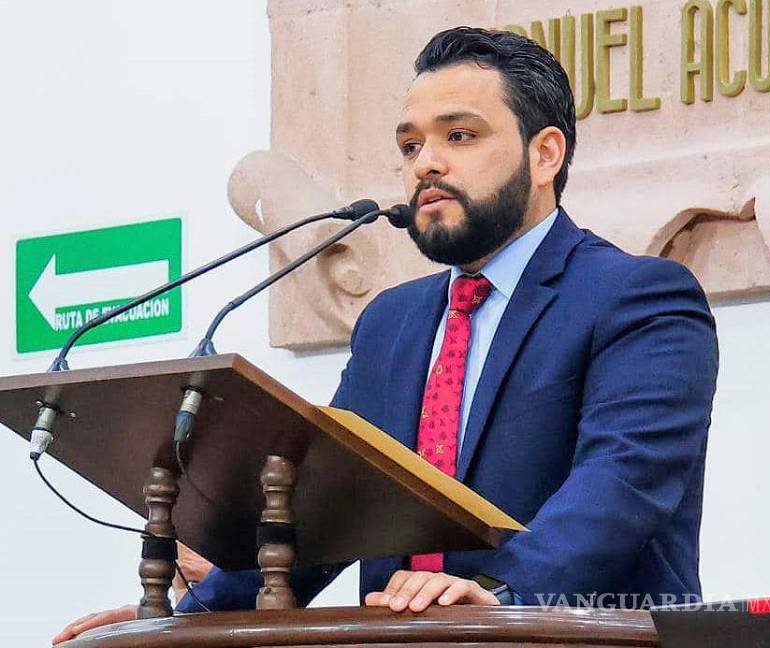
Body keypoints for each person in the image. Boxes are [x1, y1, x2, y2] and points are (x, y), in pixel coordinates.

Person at [53, 26, 718, 642]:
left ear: (544, 154)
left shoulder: (638, 298)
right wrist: (188, 617)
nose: (426, 164)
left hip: (576, 638)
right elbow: (322, 504)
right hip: (396, 639)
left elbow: (623, 481)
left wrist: (500, 593)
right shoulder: (391, 324)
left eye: (460, 136)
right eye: (410, 146)